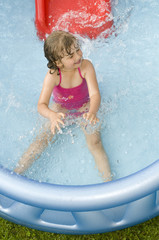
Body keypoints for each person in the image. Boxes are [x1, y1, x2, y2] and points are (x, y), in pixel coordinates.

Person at [14, 30, 112, 182]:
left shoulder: (86, 67)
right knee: (42, 139)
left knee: (95, 142)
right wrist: (52, 115)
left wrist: (92, 112)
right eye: (71, 56)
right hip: (61, 108)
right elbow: (41, 105)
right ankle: (17, 173)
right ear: (59, 63)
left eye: (77, 49)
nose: (78, 55)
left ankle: (108, 182)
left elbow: (94, 95)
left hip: (85, 106)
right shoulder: (53, 76)